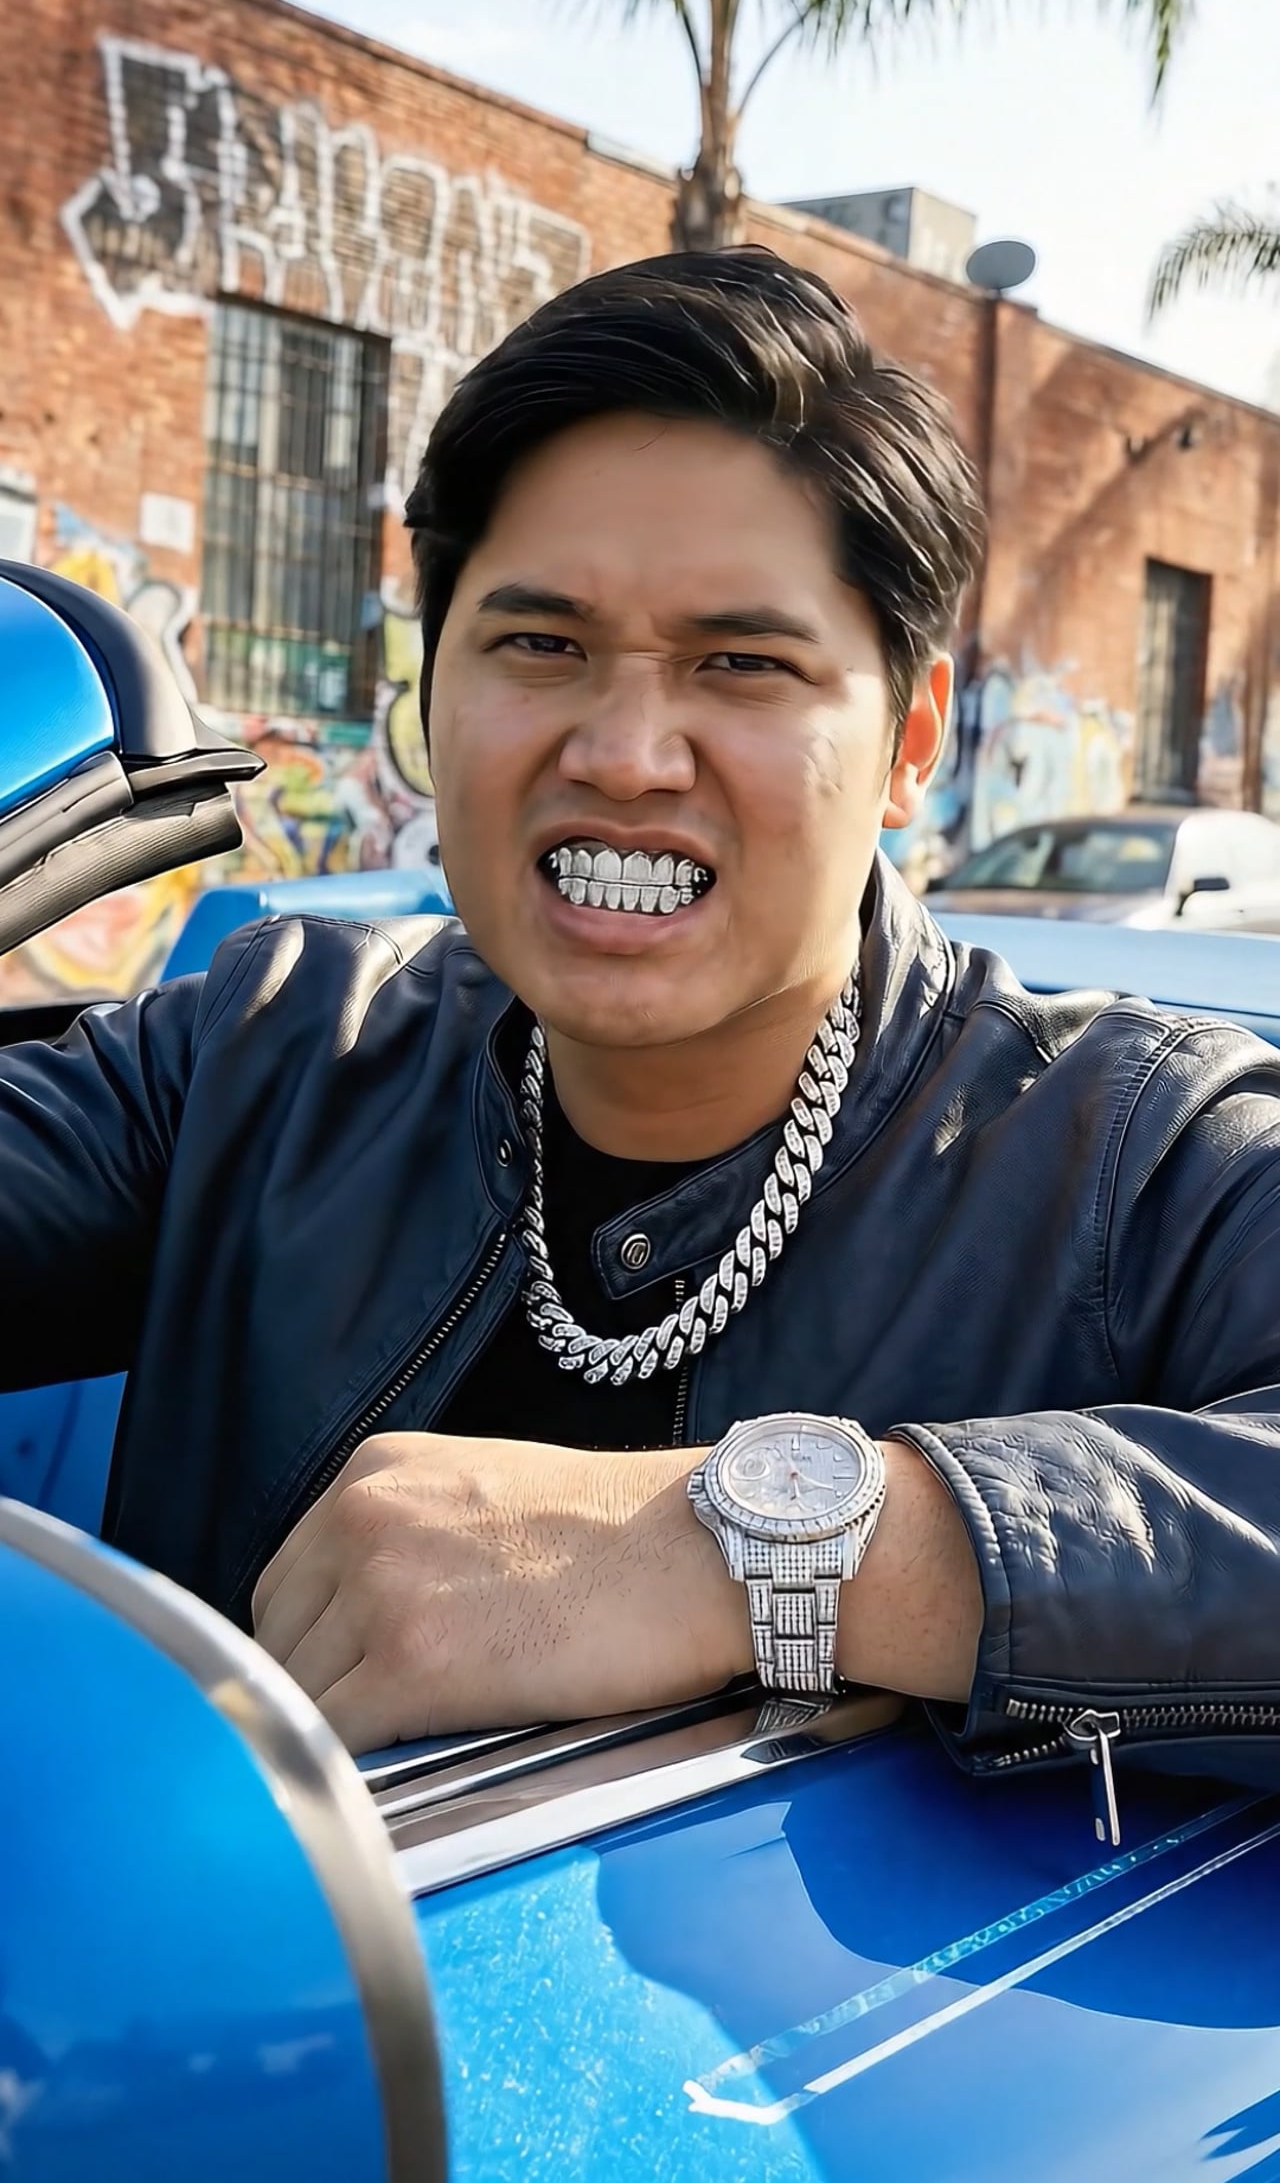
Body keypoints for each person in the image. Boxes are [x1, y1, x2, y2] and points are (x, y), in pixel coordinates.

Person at [6, 251, 1280, 1821]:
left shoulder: (1136, 1162)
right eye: (541, 646)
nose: (622, 753)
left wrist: (765, 1547)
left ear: (911, 741)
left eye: (741, 663)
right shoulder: (261, 1056)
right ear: (433, 692)